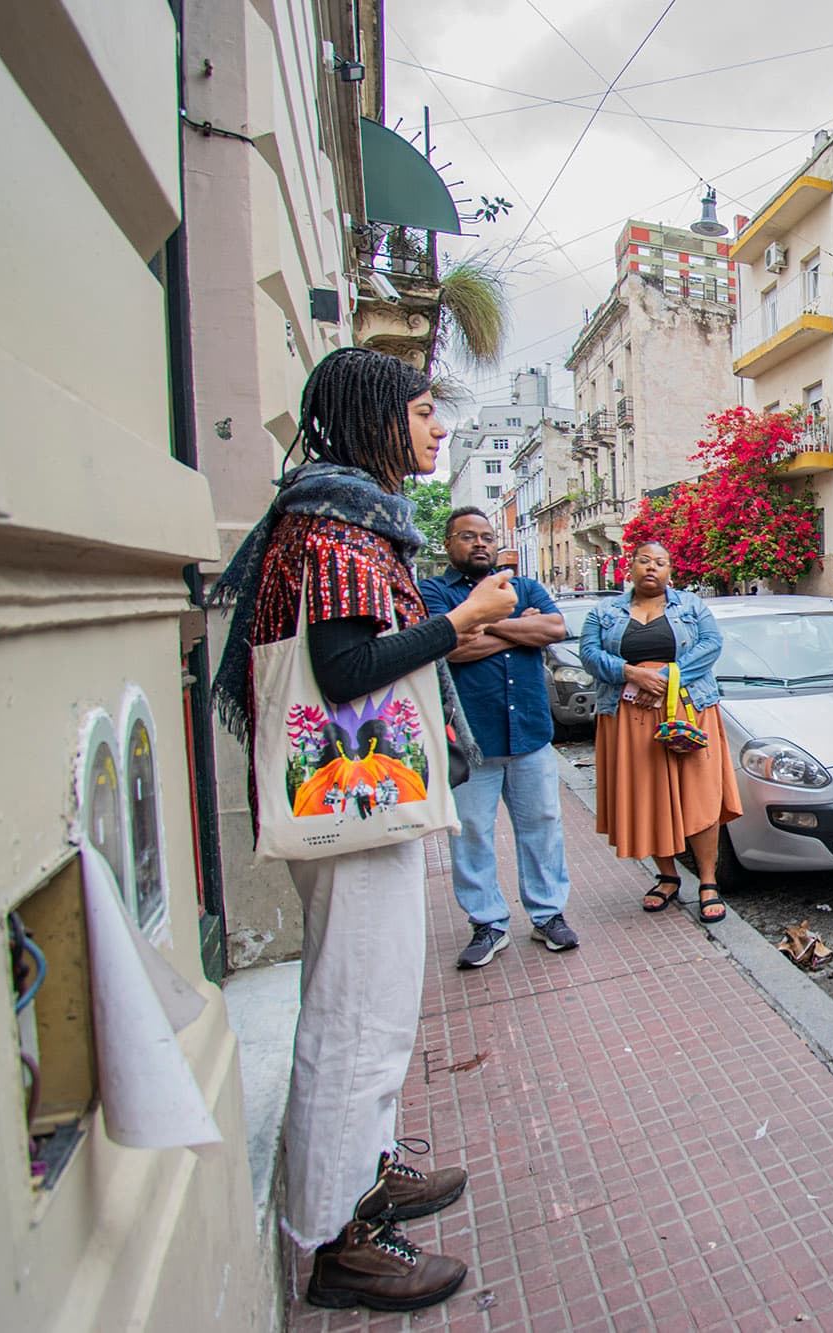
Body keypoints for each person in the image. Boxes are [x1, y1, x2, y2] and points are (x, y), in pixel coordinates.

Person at [210, 347, 517, 1310]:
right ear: (373, 421)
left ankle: (366, 1174)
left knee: (372, 1005)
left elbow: (358, 653)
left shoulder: (341, 516)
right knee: (356, 1016)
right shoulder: (336, 524)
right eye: (423, 412)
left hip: (359, 797)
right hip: (350, 800)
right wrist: (459, 618)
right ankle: (340, 1239)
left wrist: (446, 631)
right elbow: (346, 671)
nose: (436, 430)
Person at [420, 509, 578, 969]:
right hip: (472, 740)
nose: (480, 544)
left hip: (529, 732)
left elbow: (553, 629)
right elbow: (450, 645)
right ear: (449, 543)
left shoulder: (525, 588)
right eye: (468, 536)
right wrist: (516, 632)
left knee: (543, 825)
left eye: (487, 536)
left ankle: (548, 914)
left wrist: (483, 626)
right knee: (471, 834)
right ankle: (487, 922)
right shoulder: (433, 591)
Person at [578, 542, 742, 922]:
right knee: (647, 796)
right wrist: (631, 673)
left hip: (688, 709)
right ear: (630, 566)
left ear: (671, 571)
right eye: (644, 561)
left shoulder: (691, 606)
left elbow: (711, 645)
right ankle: (668, 877)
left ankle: (707, 881)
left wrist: (666, 677)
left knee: (699, 795)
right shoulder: (603, 612)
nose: (652, 568)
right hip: (628, 714)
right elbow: (589, 654)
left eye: (661, 562)